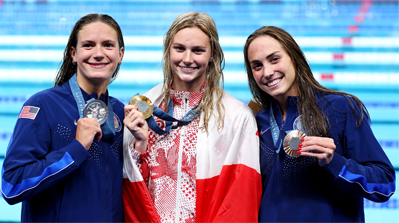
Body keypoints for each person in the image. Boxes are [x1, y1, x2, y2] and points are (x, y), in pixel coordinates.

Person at [244, 26, 396, 222]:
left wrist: (334, 163)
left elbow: (385, 184)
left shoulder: (341, 108)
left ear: (294, 57)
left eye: (274, 59)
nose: (267, 72)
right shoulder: (257, 121)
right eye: (257, 66)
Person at [122, 11, 262, 222]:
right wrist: (139, 144)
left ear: (212, 54)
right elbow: (133, 190)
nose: (187, 59)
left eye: (198, 50)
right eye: (179, 49)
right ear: (168, 50)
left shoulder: (236, 116)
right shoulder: (145, 107)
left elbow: (240, 196)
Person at [1, 13, 125, 222]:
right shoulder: (43, 105)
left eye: (108, 45)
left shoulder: (120, 113)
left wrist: (141, 148)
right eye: (88, 45)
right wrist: (75, 149)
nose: (98, 53)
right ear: (73, 54)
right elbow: (12, 185)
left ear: (120, 54)